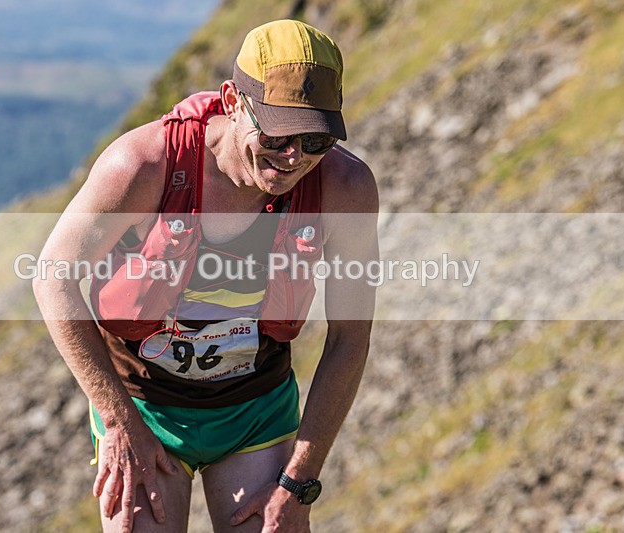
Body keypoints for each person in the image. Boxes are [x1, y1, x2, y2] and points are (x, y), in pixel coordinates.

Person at [35, 19, 378, 532]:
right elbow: (52, 277)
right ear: (232, 101)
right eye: (280, 134)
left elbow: (350, 336)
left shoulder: (345, 188)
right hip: (144, 405)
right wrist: (119, 422)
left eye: (316, 140)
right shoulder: (143, 165)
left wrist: (299, 482)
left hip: (254, 410)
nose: (294, 158)